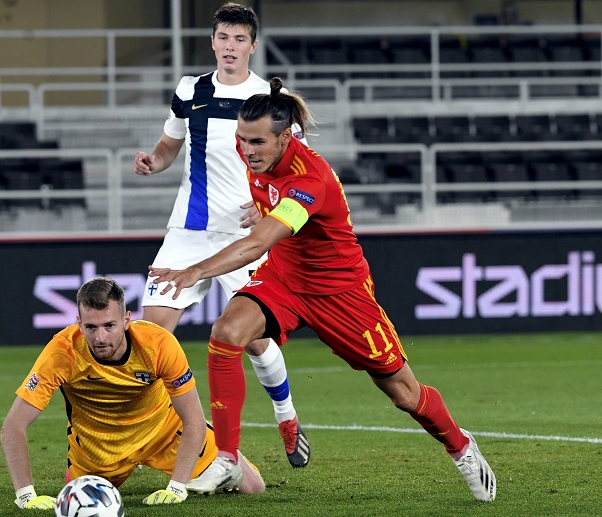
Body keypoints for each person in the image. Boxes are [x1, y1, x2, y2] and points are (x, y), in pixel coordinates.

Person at [149, 78, 497, 502]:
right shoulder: (255, 160)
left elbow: (259, 242)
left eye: (257, 141)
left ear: (284, 137)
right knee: (226, 334)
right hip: (286, 279)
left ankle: (460, 446)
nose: (247, 149)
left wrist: (193, 271)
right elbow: (269, 228)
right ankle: (227, 458)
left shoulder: (311, 178)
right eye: (242, 140)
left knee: (403, 393)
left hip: (340, 292)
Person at [133, 2, 311, 469]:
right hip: (188, 230)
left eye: (239, 39)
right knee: (151, 334)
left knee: (252, 341)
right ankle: (157, 433)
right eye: (223, 38)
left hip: (244, 234)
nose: (230, 47)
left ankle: (286, 415)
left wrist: (268, 203)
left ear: (253, 45)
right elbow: (171, 144)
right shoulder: (190, 90)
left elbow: (301, 166)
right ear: (212, 42)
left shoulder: (274, 98)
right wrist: (154, 161)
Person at [0, 277, 265, 510]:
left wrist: (176, 487)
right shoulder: (61, 352)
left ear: (127, 321)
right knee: (79, 501)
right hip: (98, 449)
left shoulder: (159, 344)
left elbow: (193, 419)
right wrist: (26, 496)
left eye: (109, 325)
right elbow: (13, 426)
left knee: (253, 486)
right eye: (91, 327)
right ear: (79, 324)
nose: (101, 337)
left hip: (163, 432)